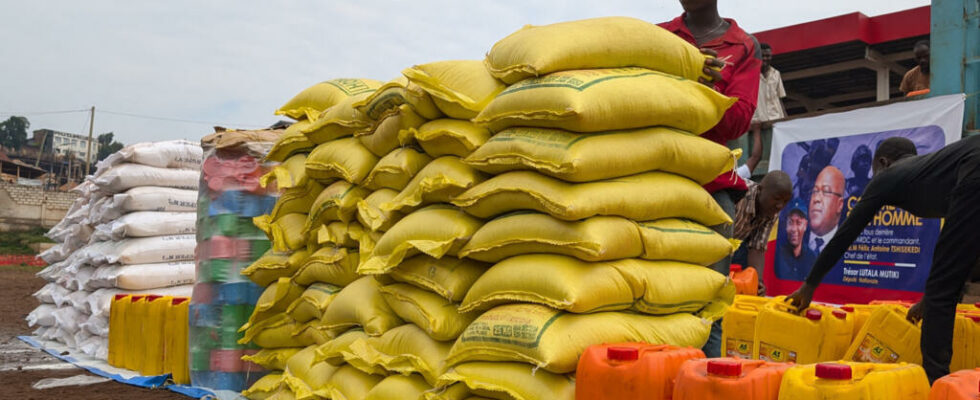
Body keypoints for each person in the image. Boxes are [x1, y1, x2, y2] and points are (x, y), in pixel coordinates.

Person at [787, 135, 980, 383]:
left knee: (942, 292)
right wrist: (930, 298)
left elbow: (845, 234)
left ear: (883, 162)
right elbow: (962, 252)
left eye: (873, 170)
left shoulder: (889, 176)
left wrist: (810, 284)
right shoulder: (933, 173)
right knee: (942, 287)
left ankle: (937, 384)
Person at [661, 0, 762, 358]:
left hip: (711, 191)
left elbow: (737, 123)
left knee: (708, 311)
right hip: (656, 183)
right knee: (654, 300)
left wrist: (707, 91)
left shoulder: (743, 46)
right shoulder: (662, 38)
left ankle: (705, 384)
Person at [730, 171, 793, 293]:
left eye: (785, 201)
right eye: (777, 199)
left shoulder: (771, 210)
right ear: (760, 190)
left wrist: (756, 282)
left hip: (734, 245)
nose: (780, 206)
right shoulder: (739, 196)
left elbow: (757, 248)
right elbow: (718, 240)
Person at [737, 43, 786, 180]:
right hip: (759, 123)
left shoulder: (776, 74)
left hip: (777, 122)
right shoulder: (750, 75)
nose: (766, 58)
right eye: (763, 56)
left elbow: (779, 99)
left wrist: (787, 120)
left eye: (768, 56)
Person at [807, 166, 845, 254]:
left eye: (826, 191)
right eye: (815, 191)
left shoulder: (848, 246)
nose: (816, 198)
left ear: (840, 205)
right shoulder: (792, 240)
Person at [777, 198, 818, 281]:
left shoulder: (812, 258)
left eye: (799, 223)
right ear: (786, 225)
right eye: (790, 222)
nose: (794, 229)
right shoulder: (777, 256)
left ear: (805, 225)